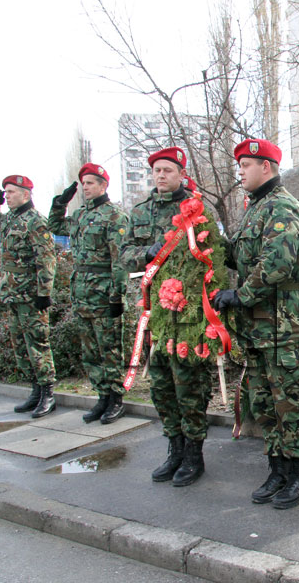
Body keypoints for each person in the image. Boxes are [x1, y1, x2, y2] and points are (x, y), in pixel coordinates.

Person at [213, 138, 299, 509]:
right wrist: (203, 236)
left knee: (289, 401)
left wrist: (238, 295)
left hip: (283, 326)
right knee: (263, 402)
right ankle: (277, 468)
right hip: (258, 328)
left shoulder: (282, 207)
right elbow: (239, 257)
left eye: (245, 164)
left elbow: (276, 265)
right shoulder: (255, 208)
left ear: (266, 167)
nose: (240, 171)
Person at [120, 146, 212, 487]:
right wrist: (146, 252)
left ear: (181, 174)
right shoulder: (140, 212)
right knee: (160, 384)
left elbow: (211, 257)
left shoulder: (196, 209)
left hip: (188, 313)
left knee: (189, 384)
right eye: (156, 170)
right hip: (155, 311)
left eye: (167, 170)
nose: (161, 175)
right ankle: (174, 449)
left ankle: (194, 454)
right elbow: (124, 254)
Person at [48, 164, 129, 424]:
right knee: (91, 350)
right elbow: (55, 226)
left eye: (90, 183)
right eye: (83, 184)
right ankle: (102, 396)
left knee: (109, 349)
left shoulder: (114, 216)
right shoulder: (80, 214)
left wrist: (118, 296)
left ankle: (116, 398)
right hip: (82, 293)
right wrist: (60, 204)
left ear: (103, 185)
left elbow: (120, 260)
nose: (85, 188)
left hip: (103, 293)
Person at [0, 175, 57, 417]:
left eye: (11, 192)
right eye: (5, 192)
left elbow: (46, 259)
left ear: (25, 194)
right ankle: (35, 390)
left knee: (38, 344)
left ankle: (48, 393)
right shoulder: (9, 219)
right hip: (12, 294)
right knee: (21, 347)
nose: (7, 196)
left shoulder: (36, 221)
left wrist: (44, 293)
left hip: (30, 295)